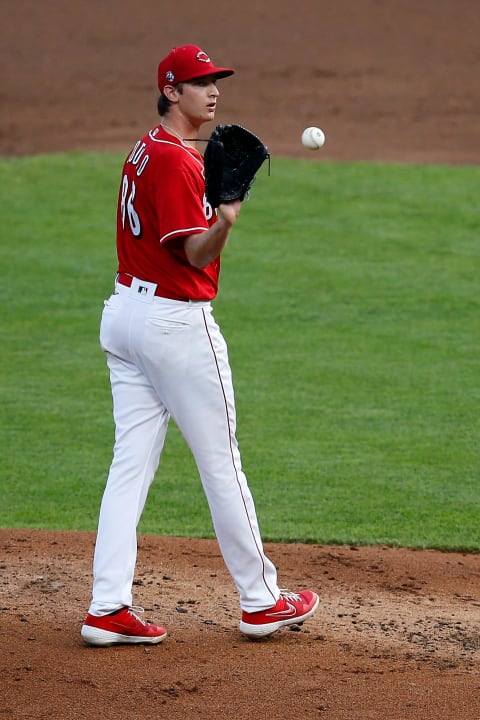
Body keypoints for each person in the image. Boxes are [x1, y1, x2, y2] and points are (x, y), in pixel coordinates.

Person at [81, 44, 319, 646]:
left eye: (214, 81)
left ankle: (107, 605)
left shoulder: (148, 149)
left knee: (128, 466)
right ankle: (261, 600)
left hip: (125, 317)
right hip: (174, 326)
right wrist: (226, 219)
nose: (211, 91)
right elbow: (193, 252)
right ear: (170, 91)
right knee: (222, 460)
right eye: (197, 83)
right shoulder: (178, 164)